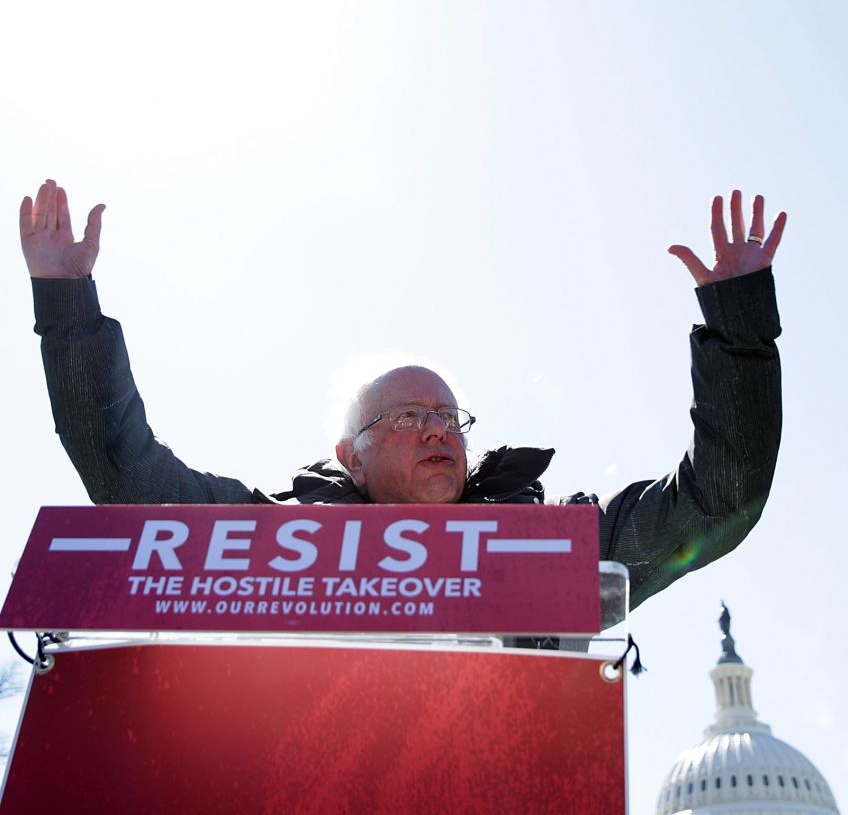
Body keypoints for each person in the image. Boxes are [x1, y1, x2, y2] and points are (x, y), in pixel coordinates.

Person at [20, 180, 786, 614]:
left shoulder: (552, 548)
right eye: (411, 417)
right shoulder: (265, 544)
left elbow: (719, 503)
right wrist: (66, 305)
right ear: (349, 457)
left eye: (449, 417)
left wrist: (739, 327)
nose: (439, 432)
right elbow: (124, 474)